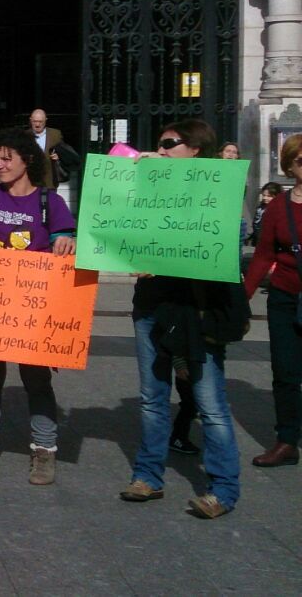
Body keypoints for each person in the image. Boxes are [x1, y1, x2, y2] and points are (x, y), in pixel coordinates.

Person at [122, 119, 245, 519]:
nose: (160, 150)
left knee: (210, 403)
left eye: (168, 144)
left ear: (195, 150)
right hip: (152, 306)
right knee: (152, 397)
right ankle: (148, 476)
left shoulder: (216, 193)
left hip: (196, 310)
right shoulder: (145, 187)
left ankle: (223, 489)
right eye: (158, 144)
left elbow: (218, 249)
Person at [0, 127, 76, 486]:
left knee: (36, 380)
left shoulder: (49, 202)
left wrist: (65, 243)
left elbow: (62, 243)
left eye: (7, 158)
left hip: (34, 309)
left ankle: (44, 451)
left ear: (28, 160)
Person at [245, 134, 302, 470]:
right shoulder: (278, 207)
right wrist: (243, 297)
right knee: (285, 372)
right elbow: (263, 255)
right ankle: (286, 440)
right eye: (299, 160)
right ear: (290, 164)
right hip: (284, 297)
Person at [29, 109, 78, 185]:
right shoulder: (24, 135)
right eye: (35, 121)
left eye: (40, 121)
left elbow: (64, 152)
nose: (37, 124)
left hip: (50, 181)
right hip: (30, 181)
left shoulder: (55, 134)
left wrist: (58, 156)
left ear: (45, 120)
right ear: (30, 120)